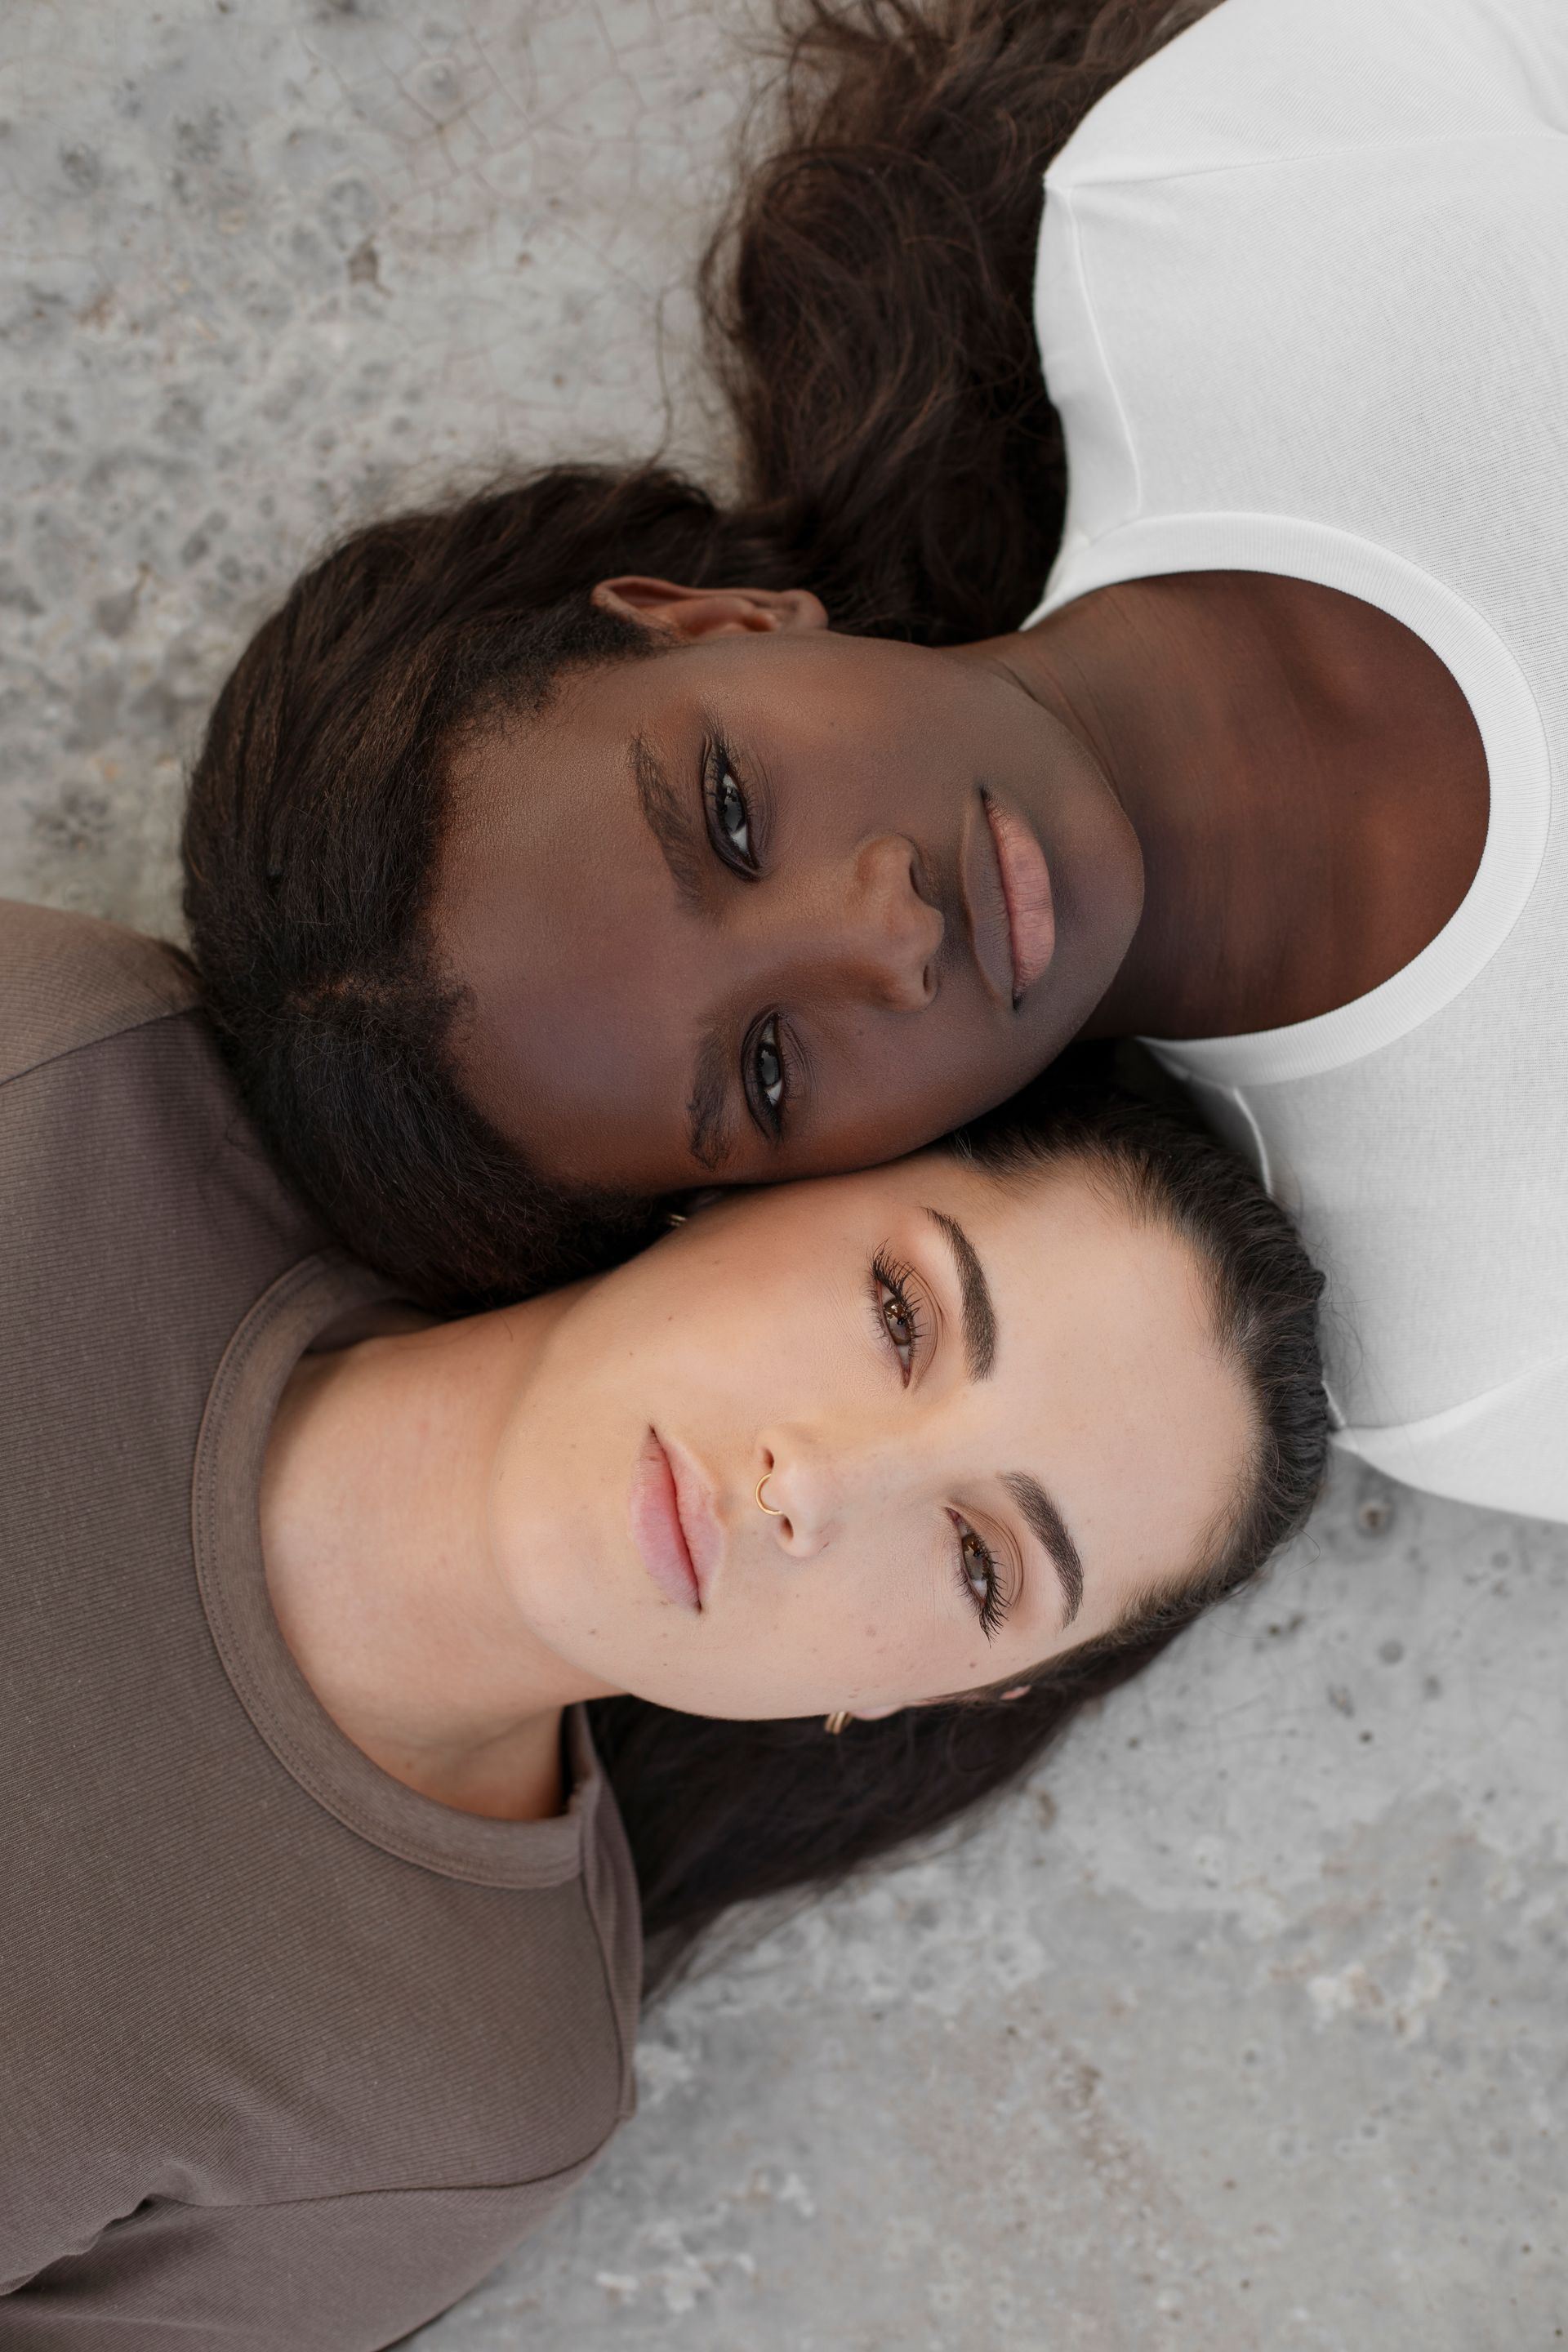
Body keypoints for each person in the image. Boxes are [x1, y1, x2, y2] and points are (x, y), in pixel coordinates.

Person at [181, 0, 1568, 1521]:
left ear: (712, 619)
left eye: (726, 815)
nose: (888, 932)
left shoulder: (1221, 217)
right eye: (769, 1069)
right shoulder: (1468, 1334)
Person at [0, 896, 1325, 2348]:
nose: (812, 1482)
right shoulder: (77, 1075)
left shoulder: (463, 2098)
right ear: (768, 1180)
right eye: (901, 1314)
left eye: (981, 1565)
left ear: (942, 1692)